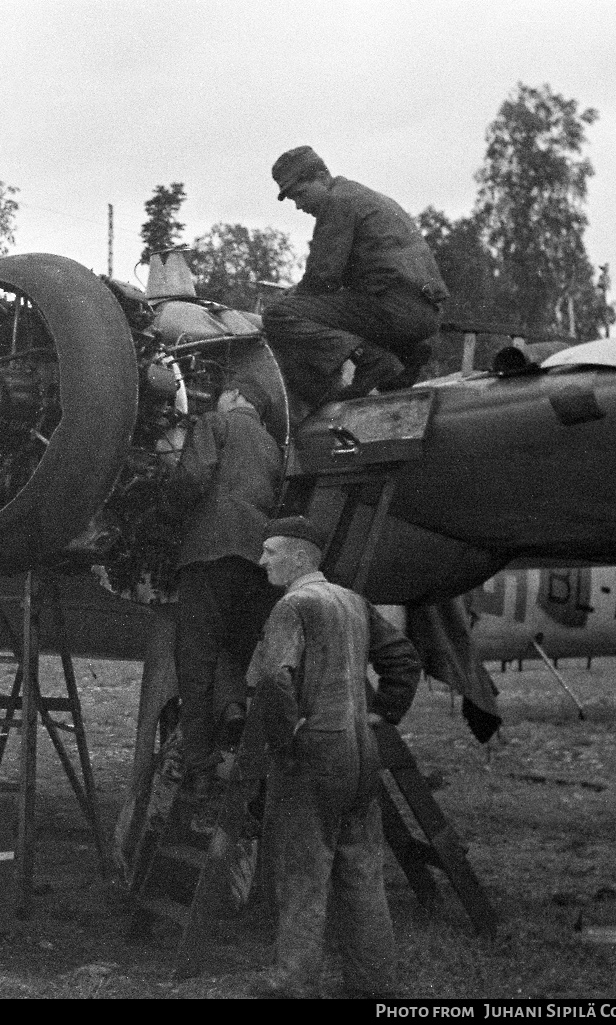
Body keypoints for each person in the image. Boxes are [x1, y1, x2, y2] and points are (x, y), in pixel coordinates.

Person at [242, 515, 422, 998]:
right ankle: (373, 983)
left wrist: (284, 742)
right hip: (362, 754)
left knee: (302, 871)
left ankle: (295, 983)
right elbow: (404, 658)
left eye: (270, 552)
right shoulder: (352, 601)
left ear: (300, 557)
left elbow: (275, 681)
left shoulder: (293, 606)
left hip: (313, 757)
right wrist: (385, 712)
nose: (261, 561)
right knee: (362, 870)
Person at [264, 146, 450, 409]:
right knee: (324, 306)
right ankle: (406, 357)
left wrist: (293, 296)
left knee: (278, 314)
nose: (299, 205)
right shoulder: (364, 196)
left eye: (301, 194)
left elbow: (322, 278)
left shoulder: (337, 202)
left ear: (321, 177)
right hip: (424, 314)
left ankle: (371, 360)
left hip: (394, 310)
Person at [168, 375, 283, 782]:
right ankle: (232, 707)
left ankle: (198, 761)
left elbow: (192, 478)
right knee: (232, 647)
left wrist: (168, 514)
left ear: (234, 396)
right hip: (257, 561)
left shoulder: (214, 424)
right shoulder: (272, 446)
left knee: (195, 657)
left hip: (211, 551)